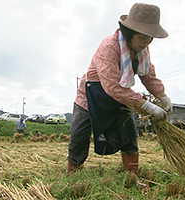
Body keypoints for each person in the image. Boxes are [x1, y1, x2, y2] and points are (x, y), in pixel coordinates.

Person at [67, 3, 173, 177]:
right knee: (79, 135)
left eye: (150, 38)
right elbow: (113, 86)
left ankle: (132, 175)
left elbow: (148, 75)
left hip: (121, 97)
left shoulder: (142, 51)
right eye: (143, 38)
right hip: (92, 95)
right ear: (129, 33)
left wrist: (163, 97)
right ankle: (72, 174)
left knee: (129, 134)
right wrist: (147, 106)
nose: (147, 42)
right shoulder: (109, 47)